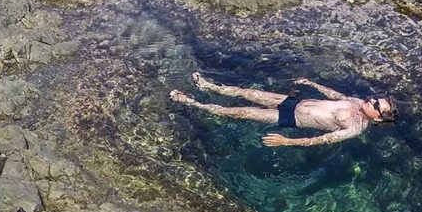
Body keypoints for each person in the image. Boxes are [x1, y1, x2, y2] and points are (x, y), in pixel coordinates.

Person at [170, 72, 398, 147]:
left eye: (377, 106)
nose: (373, 100)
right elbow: (336, 95)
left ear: (378, 119)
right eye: (376, 99)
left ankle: (192, 102)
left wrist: (286, 142)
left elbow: (322, 140)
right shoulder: (358, 101)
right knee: (246, 92)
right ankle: (208, 86)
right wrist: (312, 84)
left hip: (289, 117)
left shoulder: (354, 127)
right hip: (292, 102)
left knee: (239, 112)